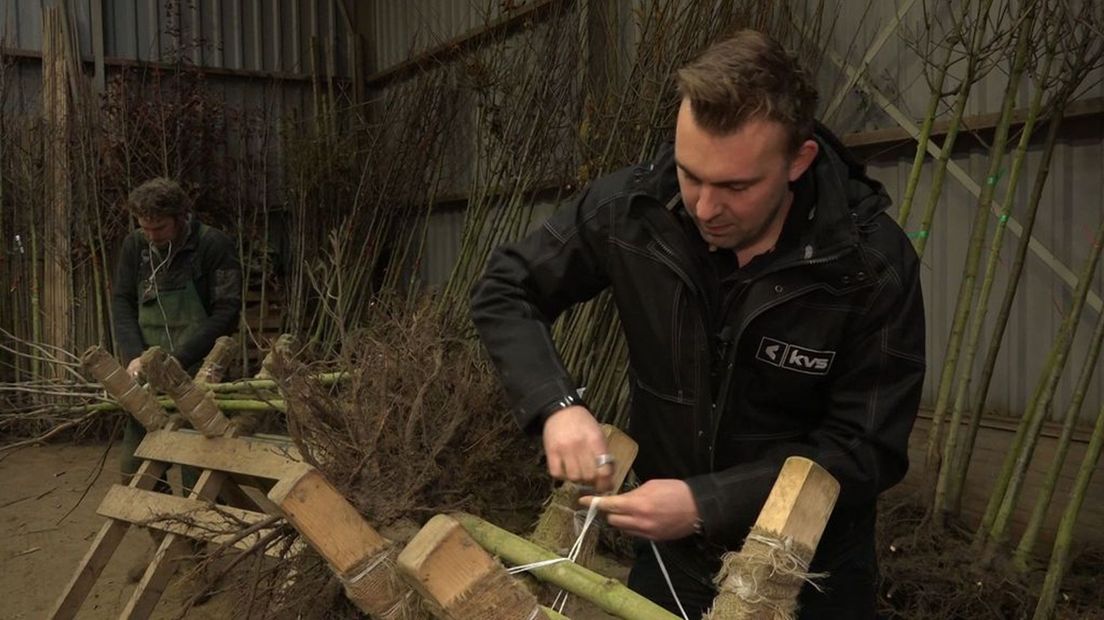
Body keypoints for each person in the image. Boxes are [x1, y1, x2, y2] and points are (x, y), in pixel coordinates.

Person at [470, 30, 925, 618]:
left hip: (808, 575)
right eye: (691, 174)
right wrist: (557, 406)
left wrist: (704, 501)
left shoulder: (867, 267)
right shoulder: (632, 211)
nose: (705, 207)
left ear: (798, 160)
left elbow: (867, 450)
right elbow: (507, 287)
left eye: (736, 186)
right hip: (670, 559)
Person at [111, 177, 242, 492]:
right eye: (145, 228)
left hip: (199, 371)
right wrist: (133, 357)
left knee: (197, 470)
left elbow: (227, 311)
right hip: (146, 374)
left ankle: (200, 537)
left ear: (181, 218)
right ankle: (162, 529)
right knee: (134, 468)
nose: (152, 236)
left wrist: (176, 360)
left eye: (160, 229)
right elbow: (122, 301)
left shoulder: (212, 245)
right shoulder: (136, 246)